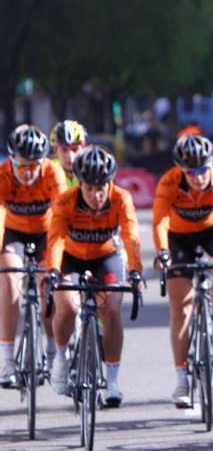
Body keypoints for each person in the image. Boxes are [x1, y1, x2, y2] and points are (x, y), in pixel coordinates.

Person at [47, 146, 142, 407]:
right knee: (66, 306)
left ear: (110, 183)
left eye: (101, 188)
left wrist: (135, 271)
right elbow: (55, 240)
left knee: (111, 308)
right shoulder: (65, 201)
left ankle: (112, 381)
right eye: (89, 188)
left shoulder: (122, 199)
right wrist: (54, 271)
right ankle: (61, 357)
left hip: (106, 257)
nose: (96, 195)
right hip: (71, 256)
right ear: (80, 185)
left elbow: (131, 236)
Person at [152, 135, 213, 408]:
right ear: (181, 169)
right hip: (179, 238)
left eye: (203, 169)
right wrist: (162, 252)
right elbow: (160, 220)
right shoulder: (169, 182)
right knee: (181, 308)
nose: (199, 177)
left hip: (211, 229)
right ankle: (181, 377)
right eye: (192, 172)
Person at [0, 125, 66, 387]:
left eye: (33, 166)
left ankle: (51, 350)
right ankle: (7, 360)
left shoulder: (53, 172)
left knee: (46, 287)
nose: (27, 172)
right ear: (11, 160)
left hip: (45, 233)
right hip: (14, 232)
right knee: (9, 284)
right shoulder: (3, 175)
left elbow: (62, 217)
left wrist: (57, 260)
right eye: (21, 166)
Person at [49, 119, 88, 189]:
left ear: (83, 149)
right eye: (64, 150)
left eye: (75, 150)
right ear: (55, 151)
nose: (70, 156)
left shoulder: (90, 170)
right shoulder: (47, 172)